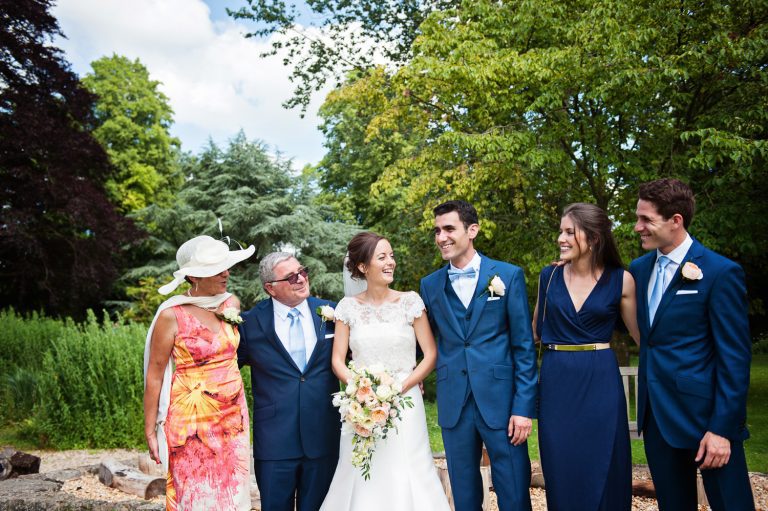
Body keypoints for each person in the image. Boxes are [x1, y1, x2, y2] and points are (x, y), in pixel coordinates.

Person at [630, 178, 754, 510]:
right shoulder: (638, 270)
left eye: (646, 219)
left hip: (706, 419)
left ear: (676, 220)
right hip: (657, 417)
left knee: (732, 505)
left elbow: (734, 358)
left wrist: (722, 429)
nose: (637, 227)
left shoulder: (720, 272)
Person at [420, 200, 537, 511]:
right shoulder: (429, 285)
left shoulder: (508, 275)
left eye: (449, 229)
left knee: (513, 487)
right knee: (464, 492)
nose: (441, 237)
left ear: (472, 230)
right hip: (454, 401)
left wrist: (523, 407)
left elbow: (524, 347)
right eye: (437, 231)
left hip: (502, 401)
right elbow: (426, 342)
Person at [320, 232, 451, 511]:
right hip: (362, 405)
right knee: (361, 468)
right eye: (382, 257)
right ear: (363, 267)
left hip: (405, 401)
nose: (390, 262)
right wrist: (362, 391)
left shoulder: (410, 302)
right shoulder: (347, 308)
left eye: (391, 256)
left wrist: (399, 388)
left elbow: (430, 354)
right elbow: (338, 361)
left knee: (409, 467)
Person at [531, 203, 640, 511]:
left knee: (604, 462)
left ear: (593, 238)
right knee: (560, 465)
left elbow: (642, 338)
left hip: (600, 382)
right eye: (561, 231)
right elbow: (535, 332)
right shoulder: (549, 276)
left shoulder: (622, 280)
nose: (561, 238)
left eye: (570, 232)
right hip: (556, 382)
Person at [144, 235, 255, 510]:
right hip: (191, 420)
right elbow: (155, 375)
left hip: (233, 417)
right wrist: (150, 429)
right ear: (193, 276)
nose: (226, 274)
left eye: (225, 267)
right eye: (216, 270)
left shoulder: (231, 304)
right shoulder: (171, 315)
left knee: (232, 492)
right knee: (195, 492)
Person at [237, 253, 339, 511]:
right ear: (270, 288)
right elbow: (223, 369)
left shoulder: (332, 312)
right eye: (291, 277)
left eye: (302, 271)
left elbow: (360, 354)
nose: (301, 279)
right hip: (274, 441)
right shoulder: (250, 323)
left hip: (323, 435)